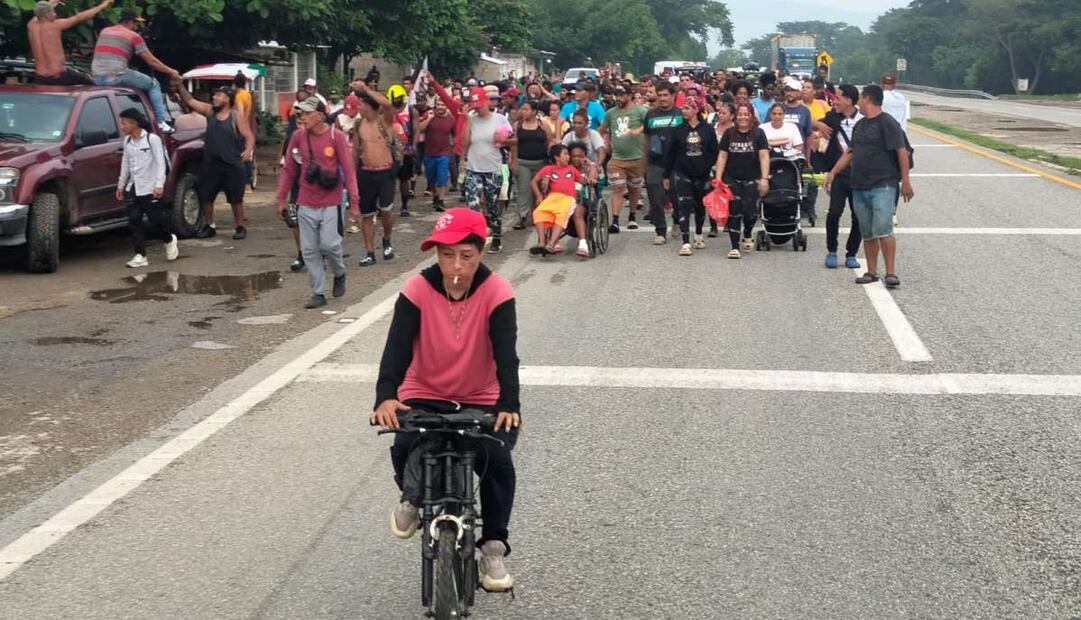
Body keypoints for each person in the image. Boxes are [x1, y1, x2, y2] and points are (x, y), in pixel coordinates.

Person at [372, 207, 521, 593]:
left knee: (497, 462)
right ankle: (412, 496)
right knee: (404, 444)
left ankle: (493, 547)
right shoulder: (417, 290)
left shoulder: (497, 292)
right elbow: (396, 348)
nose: (456, 265)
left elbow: (506, 354)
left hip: (482, 396)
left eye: (466, 256)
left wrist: (509, 404)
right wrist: (385, 396)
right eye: (446, 254)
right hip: (425, 391)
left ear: (482, 251)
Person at [825, 85, 914, 289]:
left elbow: (901, 152)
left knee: (883, 228)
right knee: (868, 231)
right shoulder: (861, 125)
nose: (859, 102)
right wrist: (833, 172)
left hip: (883, 184)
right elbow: (850, 152)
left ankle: (890, 272)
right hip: (860, 185)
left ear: (867, 98)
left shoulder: (887, 123)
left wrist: (906, 181)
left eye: (861, 98)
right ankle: (872, 271)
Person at [276, 97, 360, 309]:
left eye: (307, 113)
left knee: (330, 245)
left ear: (320, 115)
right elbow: (289, 169)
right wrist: (281, 198)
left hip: (332, 201)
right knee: (310, 250)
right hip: (306, 201)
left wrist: (354, 202)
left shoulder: (336, 136)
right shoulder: (298, 137)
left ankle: (339, 272)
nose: (302, 118)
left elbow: (349, 170)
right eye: (301, 113)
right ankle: (318, 292)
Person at [176, 83, 255, 240]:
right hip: (211, 163)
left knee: (235, 198)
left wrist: (248, 151)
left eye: (218, 95)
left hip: (231, 163)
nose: (214, 97)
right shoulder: (210, 111)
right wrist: (179, 85)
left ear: (227, 99)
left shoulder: (235, 116)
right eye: (215, 95)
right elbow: (190, 101)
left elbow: (249, 136)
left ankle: (240, 226)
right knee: (207, 196)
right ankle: (209, 225)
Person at [91, 8, 180, 134]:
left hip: (97, 76)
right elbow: (152, 62)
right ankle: (161, 122)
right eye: (136, 23)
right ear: (130, 22)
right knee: (153, 84)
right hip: (117, 75)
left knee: (132, 76)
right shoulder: (134, 36)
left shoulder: (105, 31)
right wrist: (171, 71)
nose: (137, 26)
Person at [116, 108, 176, 268]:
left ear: (134, 123)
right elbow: (125, 163)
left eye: (124, 123)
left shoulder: (152, 139)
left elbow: (160, 163)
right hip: (133, 187)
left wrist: (159, 185)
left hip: (150, 187)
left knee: (156, 221)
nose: (122, 127)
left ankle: (169, 239)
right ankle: (140, 255)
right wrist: (121, 185)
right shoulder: (127, 141)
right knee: (134, 220)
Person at [352, 80, 401, 267]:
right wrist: (352, 177)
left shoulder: (384, 120)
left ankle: (387, 239)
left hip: (385, 172)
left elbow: (387, 104)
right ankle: (370, 252)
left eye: (361, 104)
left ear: (369, 105)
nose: (358, 108)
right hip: (366, 173)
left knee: (386, 210)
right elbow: (355, 151)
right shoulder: (359, 124)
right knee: (367, 214)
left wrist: (366, 89)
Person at [715, 103, 770, 259]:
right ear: (735, 116)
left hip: (752, 177)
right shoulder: (729, 133)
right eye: (740, 114)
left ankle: (747, 232)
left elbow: (764, 156)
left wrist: (764, 179)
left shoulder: (759, 133)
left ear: (751, 116)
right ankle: (734, 246)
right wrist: (718, 178)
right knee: (734, 210)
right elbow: (722, 156)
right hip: (732, 178)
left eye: (746, 114)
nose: (743, 117)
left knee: (750, 211)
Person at [663, 98, 718, 256]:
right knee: (683, 205)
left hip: (702, 174)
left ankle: (699, 234)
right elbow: (670, 153)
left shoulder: (707, 129)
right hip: (682, 172)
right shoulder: (678, 130)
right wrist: (666, 175)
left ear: (696, 110)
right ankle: (685, 241)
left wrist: (706, 166)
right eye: (683, 108)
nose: (683, 111)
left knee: (700, 206)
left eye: (687, 108)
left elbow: (714, 151)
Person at [461, 87, 512, 254]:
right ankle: (477, 238)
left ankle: (496, 237)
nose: (477, 109)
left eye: (480, 105)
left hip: (493, 169)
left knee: (492, 206)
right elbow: (464, 142)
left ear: (486, 101)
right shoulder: (472, 119)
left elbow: (512, 140)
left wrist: (504, 141)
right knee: (473, 205)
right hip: (473, 168)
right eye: (474, 106)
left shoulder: (500, 119)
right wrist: (467, 120)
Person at [817, 83, 863, 269]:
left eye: (837, 97)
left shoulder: (863, 119)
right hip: (838, 173)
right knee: (835, 212)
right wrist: (819, 124)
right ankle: (832, 250)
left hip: (859, 174)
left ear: (849, 100)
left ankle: (851, 253)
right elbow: (809, 122)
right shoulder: (832, 117)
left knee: (858, 215)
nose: (834, 101)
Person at [28, 0, 111, 86]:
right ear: (46, 15)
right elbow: (79, 17)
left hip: (40, 77)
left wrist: (52, 2)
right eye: (52, 12)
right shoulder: (55, 25)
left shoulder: (31, 25)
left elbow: (40, 12)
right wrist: (101, 6)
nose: (55, 15)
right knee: (91, 85)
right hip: (58, 76)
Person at [600, 85, 647, 233]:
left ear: (629, 95)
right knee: (618, 187)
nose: (618, 98)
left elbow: (650, 125)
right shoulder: (610, 113)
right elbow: (602, 130)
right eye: (616, 95)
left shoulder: (640, 111)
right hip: (617, 159)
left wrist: (638, 130)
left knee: (634, 189)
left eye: (621, 95)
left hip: (637, 158)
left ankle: (632, 217)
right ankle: (614, 220)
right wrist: (606, 141)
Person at [643, 82, 683, 244]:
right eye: (659, 95)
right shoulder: (650, 115)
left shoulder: (680, 114)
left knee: (676, 196)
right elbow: (646, 138)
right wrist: (645, 162)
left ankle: (677, 220)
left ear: (673, 96)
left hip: (676, 163)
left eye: (666, 95)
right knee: (655, 197)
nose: (662, 98)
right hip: (655, 162)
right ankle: (660, 231)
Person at [529, 144, 585, 257]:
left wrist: (589, 169)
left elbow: (582, 180)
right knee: (538, 212)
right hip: (552, 197)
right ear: (557, 157)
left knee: (561, 214)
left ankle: (551, 244)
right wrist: (539, 196)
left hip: (568, 198)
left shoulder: (571, 169)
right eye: (565, 154)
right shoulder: (548, 169)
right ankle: (541, 243)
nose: (568, 157)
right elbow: (533, 182)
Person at [509, 101, 552, 230]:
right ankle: (522, 216)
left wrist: (551, 162)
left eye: (526, 109)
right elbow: (513, 144)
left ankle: (536, 215)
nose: (523, 112)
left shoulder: (543, 124)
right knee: (524, 190)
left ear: (534, 112)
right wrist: (513, 161)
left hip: (541, 162)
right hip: (523, 162)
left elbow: (550, 142)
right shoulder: (518, 125)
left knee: (537, 190)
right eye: (522, 109)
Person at [232, 72, 257, 193]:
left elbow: (240, 113)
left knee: (240, 156)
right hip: (247, 127)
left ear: (234, 84)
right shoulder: (247, 94)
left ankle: (246, 184)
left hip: (240, 129)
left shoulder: (238, 97)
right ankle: (247, 184)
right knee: (246, 155)